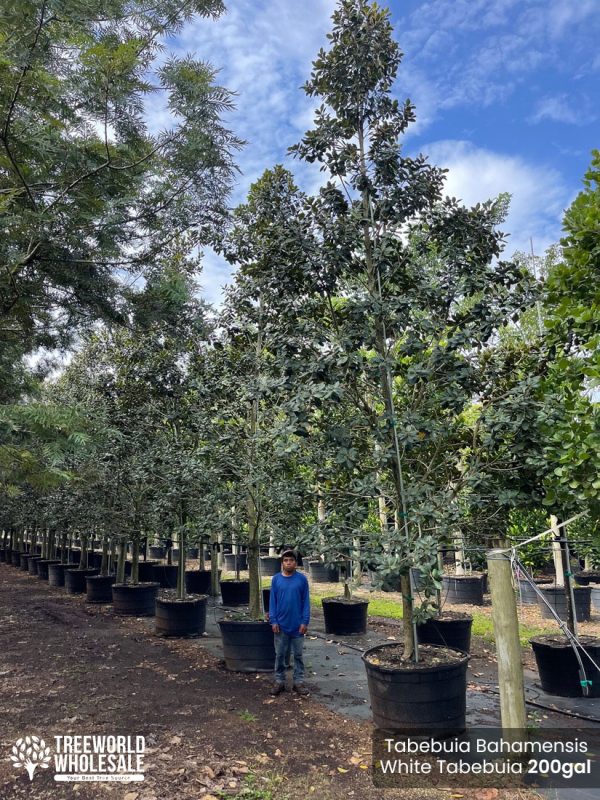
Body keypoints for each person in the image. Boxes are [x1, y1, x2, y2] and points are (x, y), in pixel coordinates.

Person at [269, 549, 310, 696]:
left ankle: (298, 682)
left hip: (298, 625)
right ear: (282, 563)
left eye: (291, 560)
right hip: (280, 625)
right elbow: (272, 602)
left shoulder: (302, 580)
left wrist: (305, 621)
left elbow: (306, 602)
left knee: (298, 655)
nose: (288, 563)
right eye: (285, 560)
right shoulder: (276, 580)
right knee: (280, 655)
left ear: (296, 563)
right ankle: (279, 681)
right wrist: (273, 621)